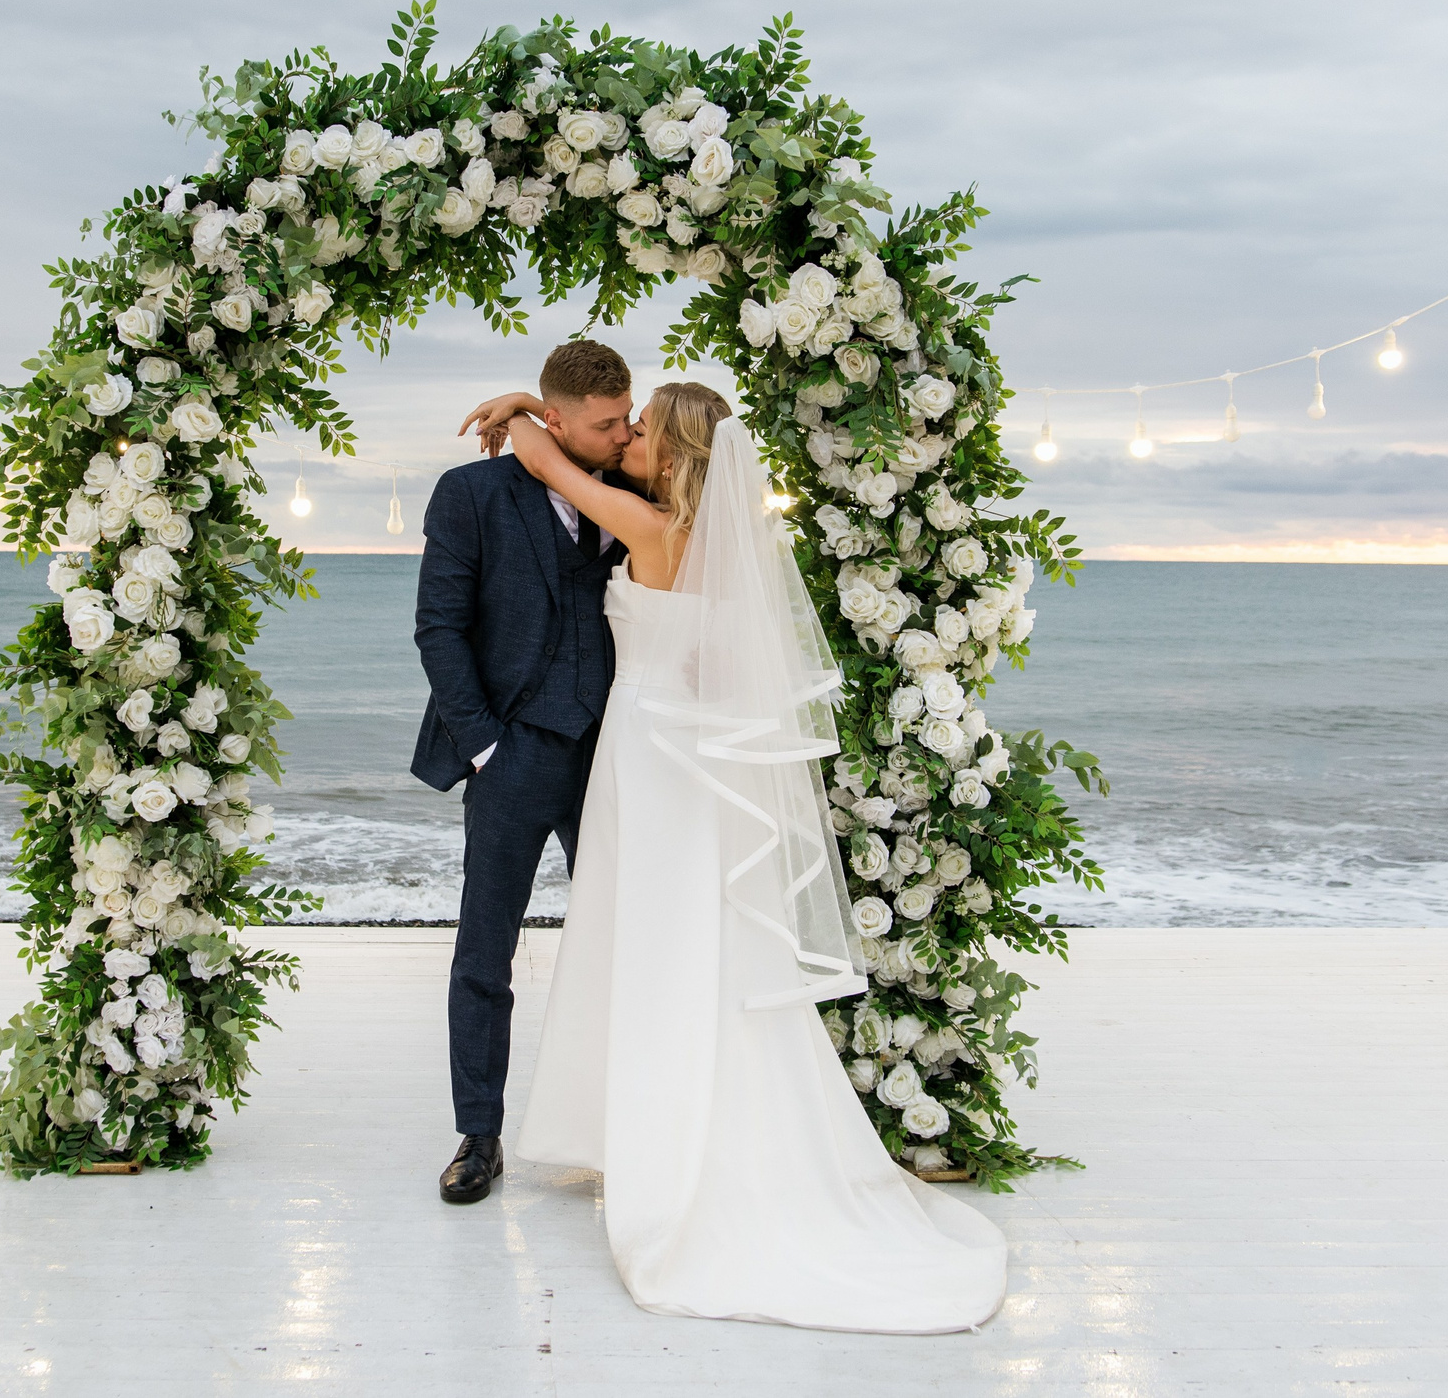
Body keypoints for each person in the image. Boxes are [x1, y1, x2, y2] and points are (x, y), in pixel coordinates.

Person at [451, 377, 1010, 1335]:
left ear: (668, 454)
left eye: (639, 432)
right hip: (680, 756)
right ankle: (666, 1119)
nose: (624, 439)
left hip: (653, 762)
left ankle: (670, 1143)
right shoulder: (715, 538)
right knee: (690, 946)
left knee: (660, 947)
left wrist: (519, 409)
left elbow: (545, 460)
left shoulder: (652, 530)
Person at [411, 340, 637, 1206]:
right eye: (605, 423)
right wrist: (486, 747)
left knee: (623, 941)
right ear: (556, 418)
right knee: (485, 951)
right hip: (515, 750)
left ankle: (626, 1120)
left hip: (615, 749)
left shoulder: (638, 485)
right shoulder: (469, 494)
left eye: (625, 419)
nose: (621, 436)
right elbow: (440, 628)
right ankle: (479, 1134)